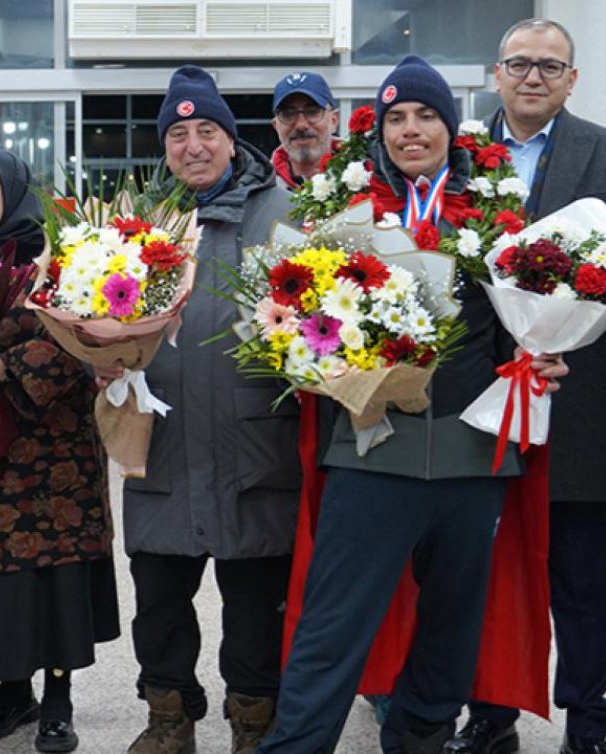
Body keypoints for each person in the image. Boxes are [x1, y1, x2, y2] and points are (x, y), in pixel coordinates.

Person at [257, 56, 568, 754]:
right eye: (396, 117)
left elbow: (526, 327)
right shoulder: (342, 214)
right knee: (332, 627)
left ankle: (420, 738)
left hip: (471, 460)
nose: (411, 129)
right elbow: (299, 324)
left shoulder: (498, 221)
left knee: (453, 630)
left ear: (450, 129)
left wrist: (544, 357)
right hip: (369, 451)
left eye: (426, 115)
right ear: (380, 132)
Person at [119, 65, 298, 754]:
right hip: (163, 442)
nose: (193, 145)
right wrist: (98, 359)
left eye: (207, 131)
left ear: (231, 138)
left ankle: (254, 723)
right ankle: (170, 718)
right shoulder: (138, 224)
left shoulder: (283, 212)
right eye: (179, 134)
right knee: (159, 600)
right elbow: (97, 311)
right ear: (165, 147)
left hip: (256, 447)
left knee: (255, 602)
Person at [450, 18, 606, 754]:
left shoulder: (603, 151)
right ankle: (490, 713)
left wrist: (568, 338)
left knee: (584, 579)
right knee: (484, 573)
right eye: (520, 63)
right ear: (496, 74)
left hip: (583, 403)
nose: (534, 76)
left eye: (551, 66)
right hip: (479, 406)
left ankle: (592, 718)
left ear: (572, 80)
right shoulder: (455, 158)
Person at [0, 149, 119, 754]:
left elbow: (87, 334)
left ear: (13, 188)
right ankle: (12, 689)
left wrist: (5, 366)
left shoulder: (60, 257)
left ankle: (58, 698)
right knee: (1, 574)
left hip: (56, 450)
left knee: (55, 576)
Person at [269, 71, 340, 189]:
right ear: (276, 126)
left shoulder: (369, 179)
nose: (301, 125)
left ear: (334, 120)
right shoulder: (261, 189)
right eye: (288, 114)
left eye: (312, 112)